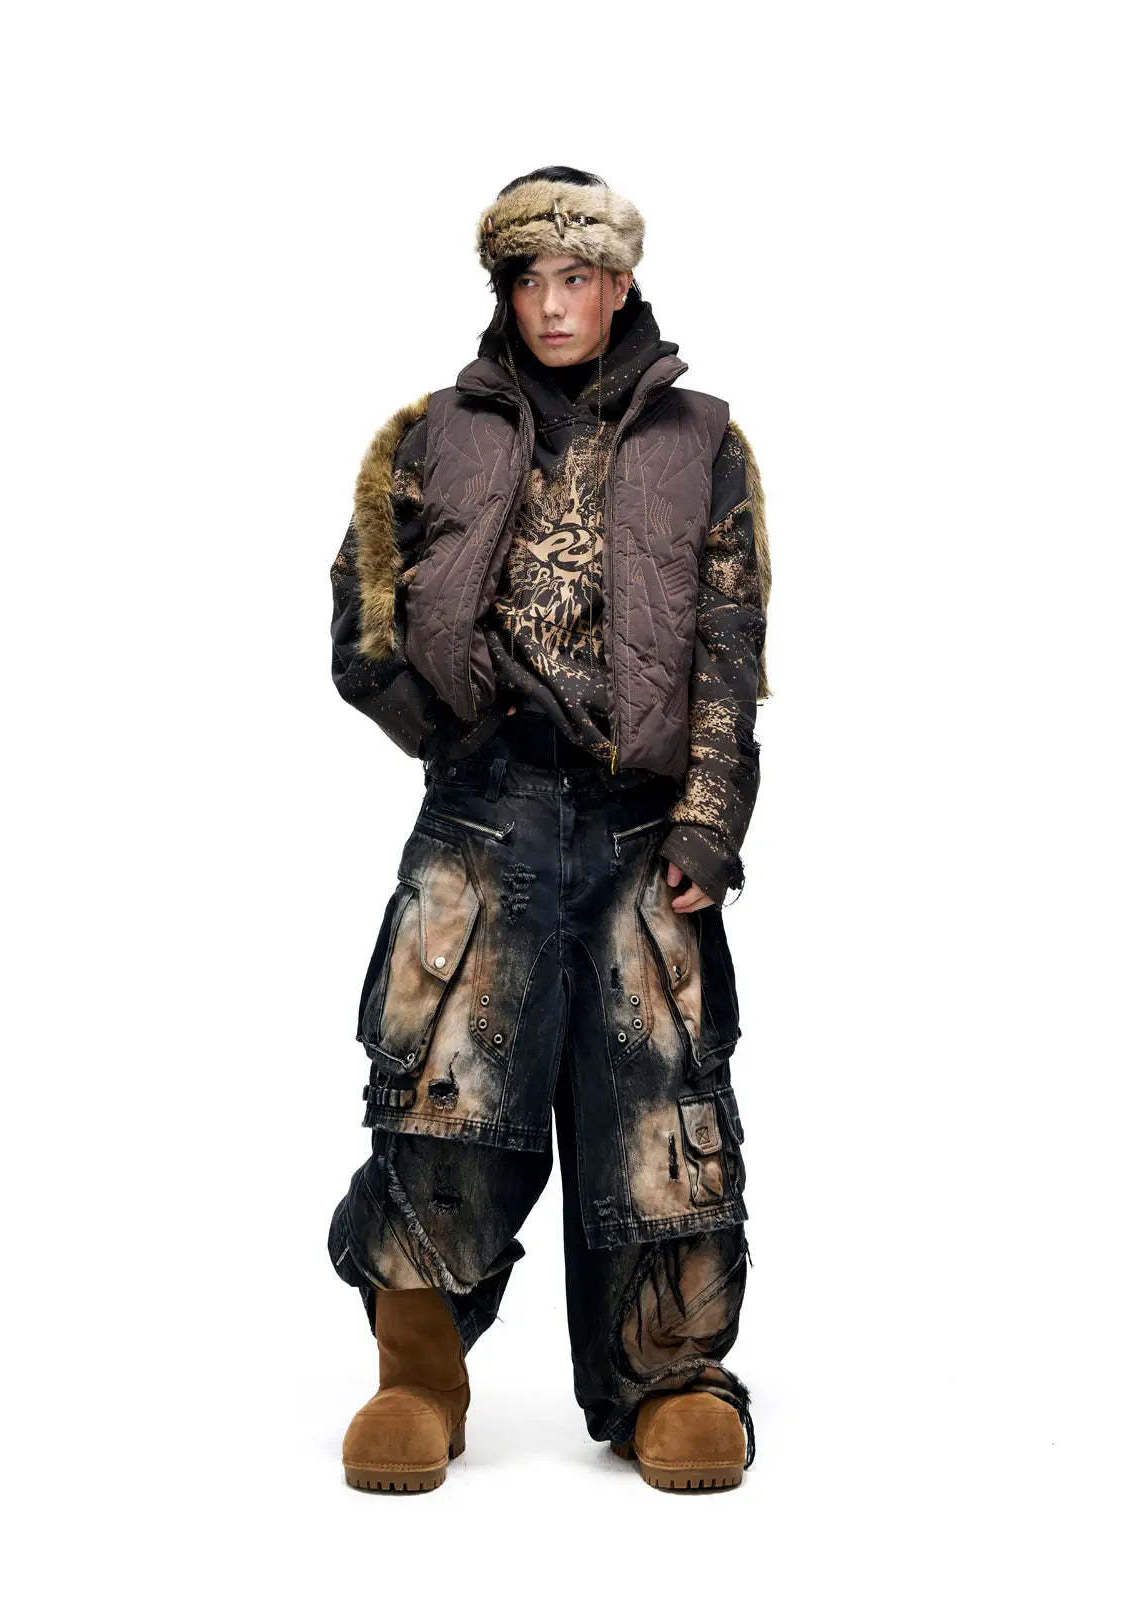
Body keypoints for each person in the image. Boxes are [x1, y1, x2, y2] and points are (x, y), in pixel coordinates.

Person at [326, 166, 771, 1492]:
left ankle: (670, 1379)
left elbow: (729, 650)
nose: (555, 304)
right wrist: (444, 726)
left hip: (643, 834)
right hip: (483, 819)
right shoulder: (428, 436)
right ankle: (418, 1374)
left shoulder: (705, 444)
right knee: (442, 1094)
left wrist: (709, 826)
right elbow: (362, 616)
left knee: (662, 1109)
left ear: (621, 284)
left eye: (578, 278)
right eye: (530, 280)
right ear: (506, 291)